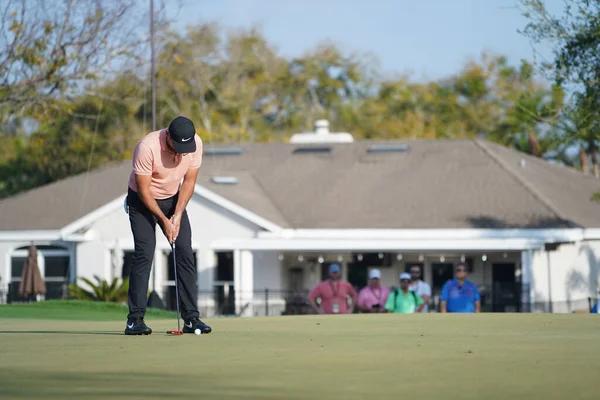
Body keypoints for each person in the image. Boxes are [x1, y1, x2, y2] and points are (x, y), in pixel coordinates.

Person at [124, 116, 212, 335]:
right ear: (168, 137)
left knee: (184, 252)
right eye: (178, 147)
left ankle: (191, 319)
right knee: (144, 253)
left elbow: (189, 181)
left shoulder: (195, 144)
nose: (183, 152)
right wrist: (164, 221)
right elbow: (144, 191)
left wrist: (178, 214)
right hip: (142, 200)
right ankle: (134, 320)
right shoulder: (147, 147)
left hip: (173, 200)